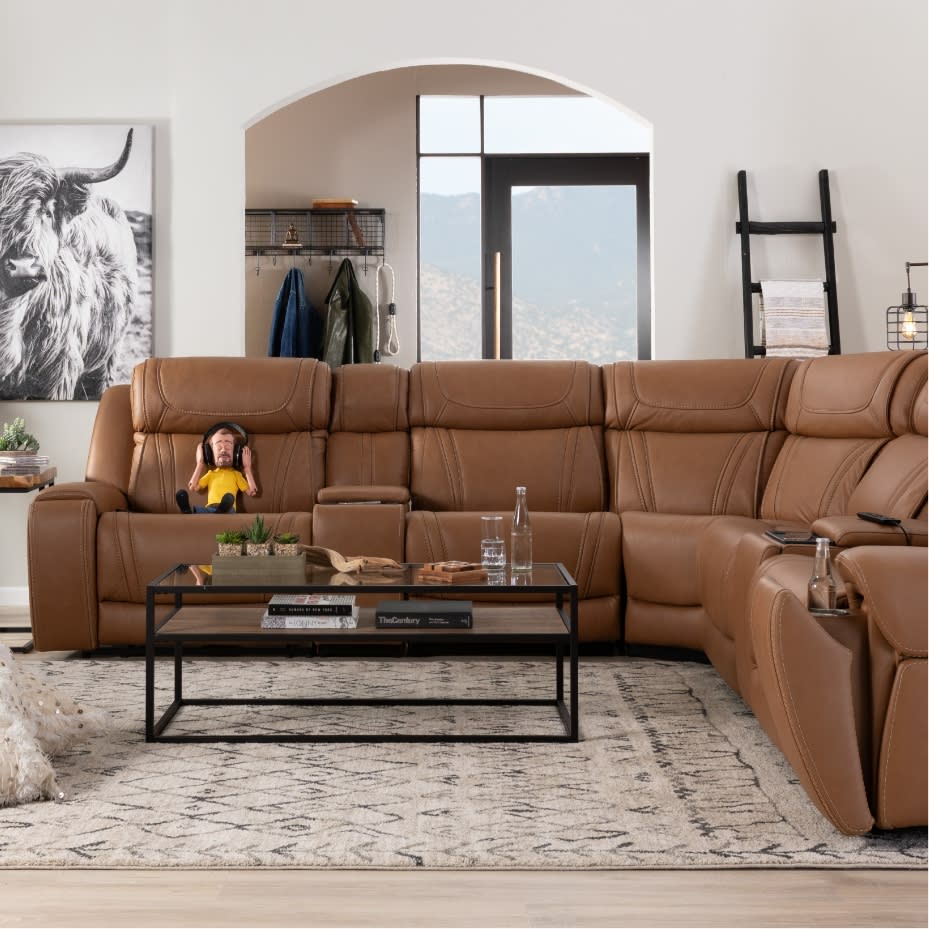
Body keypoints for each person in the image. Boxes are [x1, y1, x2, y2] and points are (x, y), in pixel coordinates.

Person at [176, 424, 258, 513]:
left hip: (228, 509)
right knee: (201, 511)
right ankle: (188, 511)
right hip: (210, 509)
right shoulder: (211, 474)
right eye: (219, 448)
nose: (223, 450)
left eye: (227, 447)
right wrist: (200, 463)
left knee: (227, 505)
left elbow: (252, 492)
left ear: (236, 453)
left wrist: (247, 467)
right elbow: (193, 487)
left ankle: (221, 510)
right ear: (209, 454)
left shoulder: (236, 475)